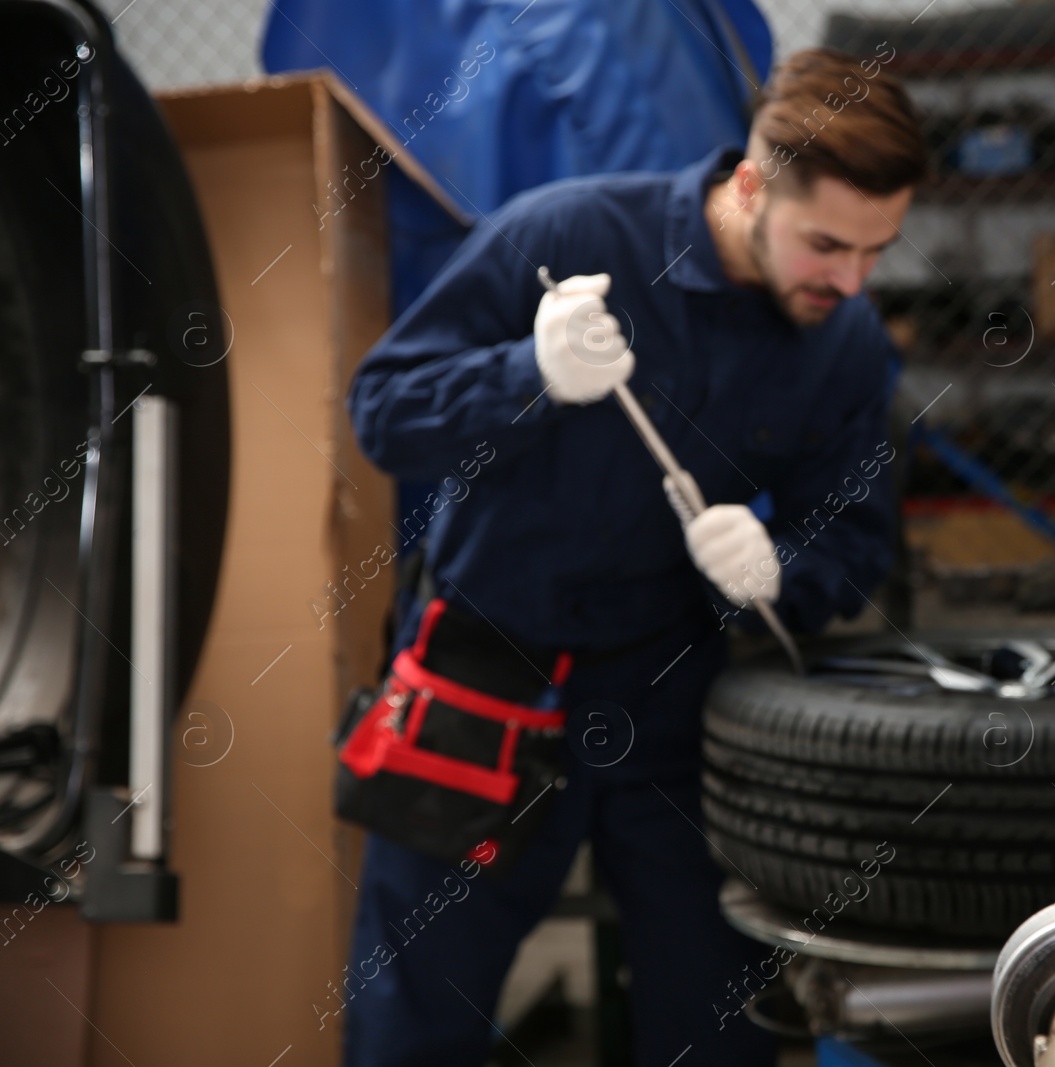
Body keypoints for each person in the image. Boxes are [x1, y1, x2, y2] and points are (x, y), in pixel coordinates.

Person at [340, 46, 927, 1066]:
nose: (851, 278)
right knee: (416, 1009)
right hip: (489, 666)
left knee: (714, 1012)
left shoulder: (844, 340)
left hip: (669, 686)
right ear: (751, 183)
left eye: (877, 251)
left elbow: (856, 536)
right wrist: (528, 373)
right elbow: (383, 413)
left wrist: (781, 568)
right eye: (828, 243)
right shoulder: (563, 235)